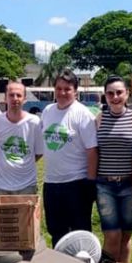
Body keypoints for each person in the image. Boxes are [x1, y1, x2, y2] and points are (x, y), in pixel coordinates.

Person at [41, 69, 98, 247]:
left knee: (79, 233)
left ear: (75, 91)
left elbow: (92, 150)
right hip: (51, 183)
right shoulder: (48, 111)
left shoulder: (82, 114)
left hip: (77, 183)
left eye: (67, 89)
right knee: (56, 231)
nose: (62, 93)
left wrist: (90, 182)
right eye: (59, 88)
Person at [94, 75, 132, 263]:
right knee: (112, 234)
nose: (115, 97)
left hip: (129, 185)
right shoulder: (99, 118)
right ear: (105, 96)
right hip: (105, 186)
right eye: (110, 93)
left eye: (119, 92)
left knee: (126, 235)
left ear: (127, 94)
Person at [0, 81, 43, 196]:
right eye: (11, 95)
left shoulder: (35, 122)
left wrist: (23, 161)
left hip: (27, 185)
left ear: (24, 99)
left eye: (19, 95)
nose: (15, 98)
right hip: (2, 185)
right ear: (5, 98)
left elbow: (39, 153)